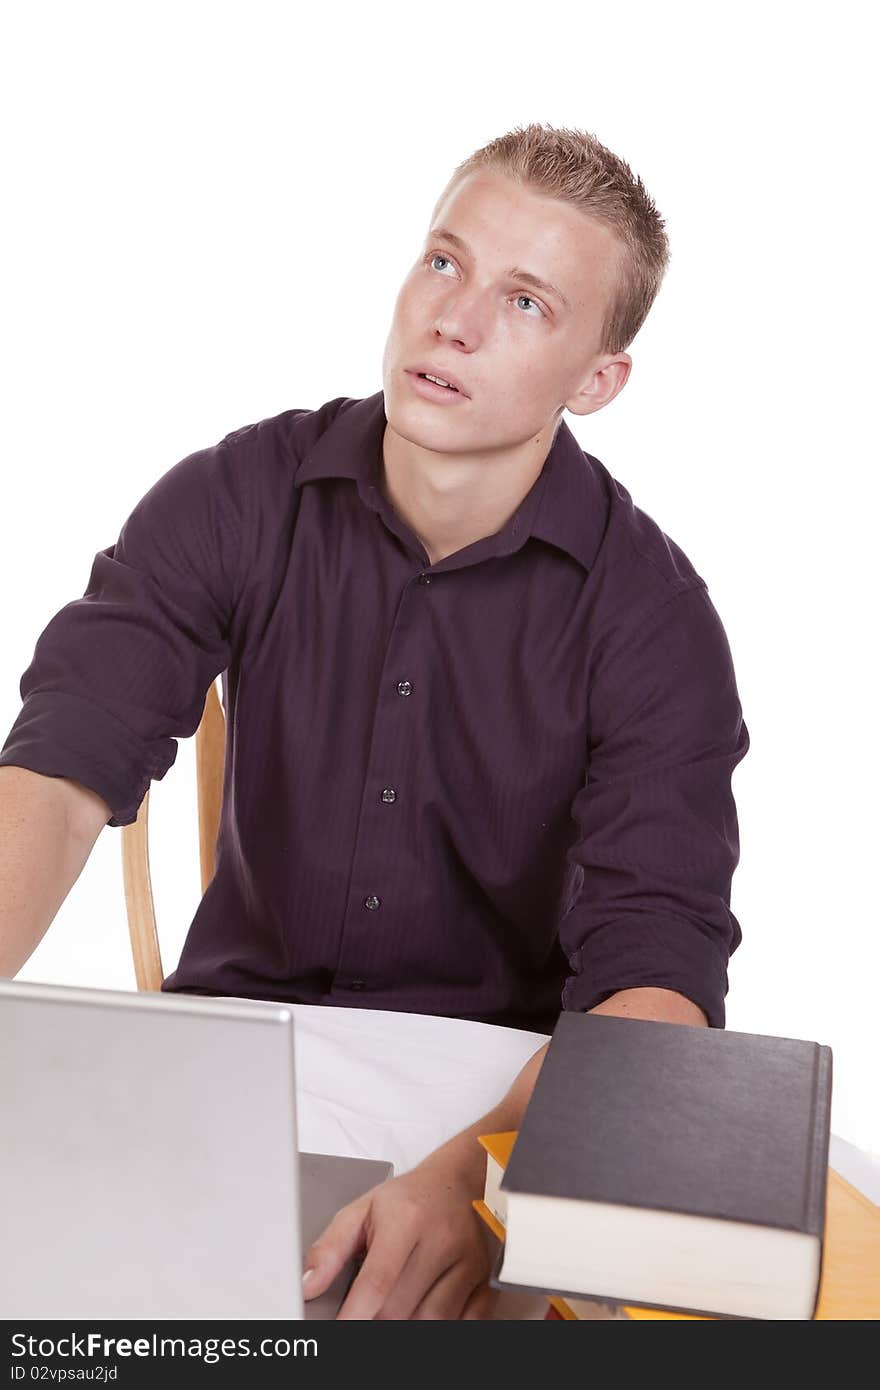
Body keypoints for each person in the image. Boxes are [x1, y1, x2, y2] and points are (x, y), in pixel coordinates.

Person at [0, 122, 750, 1318]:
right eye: (444, 263)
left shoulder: (652, 619)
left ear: (596, 381)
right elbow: (57, 769)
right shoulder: (239, 493)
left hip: (502, 1101)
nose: (450, 320)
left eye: (525, 302)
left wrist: (483, 1178)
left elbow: (656, 984)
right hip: (233, 1071)